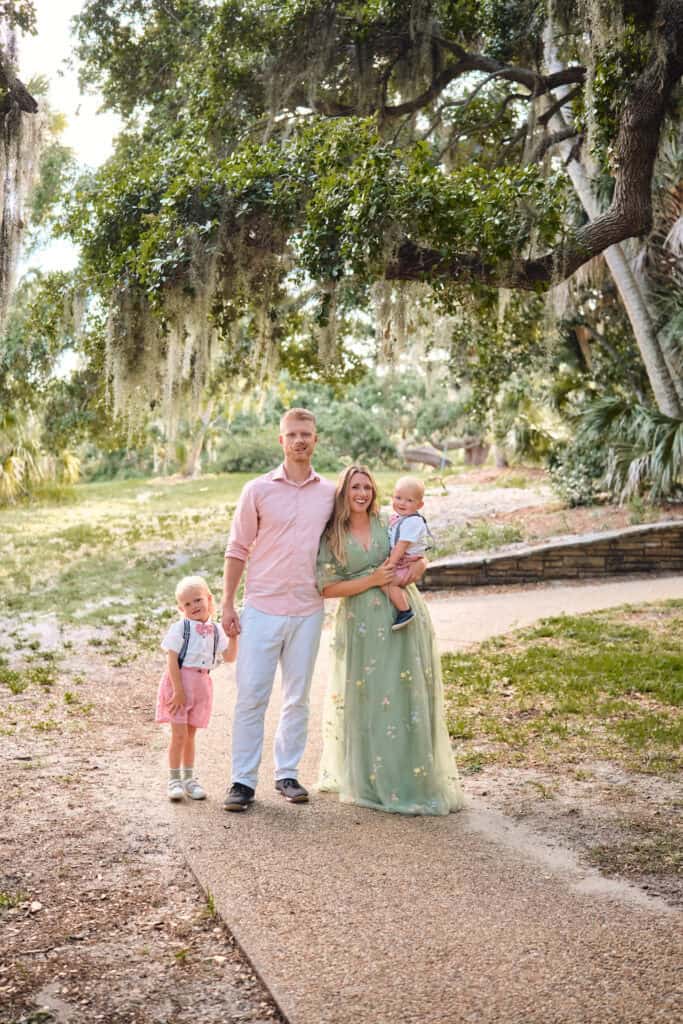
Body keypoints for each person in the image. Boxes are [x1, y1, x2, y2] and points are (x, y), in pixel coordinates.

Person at [316, 465, 464, 816]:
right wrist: (371, 580)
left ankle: (410, 778)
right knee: (370, 697)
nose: (362, 493)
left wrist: (421, 566)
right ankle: (371, 779)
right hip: (361, 626)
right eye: (355, 487)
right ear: (344, 492)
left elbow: (418, 553)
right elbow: (326, 587)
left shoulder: (389, 521)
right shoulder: (333, 534)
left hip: (405, 617)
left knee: (403, 695)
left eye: (367, 487)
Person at [221, 408, 336, 811]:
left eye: (306, 433)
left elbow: (347, 542)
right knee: (252, 695)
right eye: (292, 434)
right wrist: (227, 603)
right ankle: (242, 782)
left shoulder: (330, 493)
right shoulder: (257, 489)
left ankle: (287, 774)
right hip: (262, 608)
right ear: (281, 441)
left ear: (316, 440)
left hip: (308, 610)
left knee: (297, 697)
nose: (300, 440)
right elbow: (237, 548)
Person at [156, 575, 237, 802]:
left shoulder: (216, 630)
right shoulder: (181, 628)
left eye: (198, 600)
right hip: (179, 685)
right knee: (178, 735)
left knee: (191, 736)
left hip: (201, 686)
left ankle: (189, 779)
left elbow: (229, 657)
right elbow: (172, 660)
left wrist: (234, 638)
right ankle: (174, 779)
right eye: (187, 604)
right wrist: (178, 690)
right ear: (181, 608)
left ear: (209, 599)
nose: (194, 606)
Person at [384, 475, 431, 631]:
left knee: (387, 583)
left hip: (405, 563)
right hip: (401, 561)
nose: (402, 503)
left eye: (409, 500)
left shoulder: (412, 521)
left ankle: (405, 611)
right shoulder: (398, 518)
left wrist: (390, 565)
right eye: (398, 497)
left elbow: (401, 546)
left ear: (420, 504)